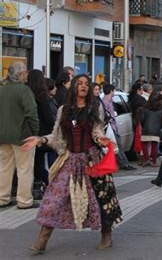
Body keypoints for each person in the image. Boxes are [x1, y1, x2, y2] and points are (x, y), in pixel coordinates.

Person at [22, 74, 123, 254]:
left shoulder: (94, 107)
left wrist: (101, 139)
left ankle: (106, 234)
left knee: (101, 197)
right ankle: (41, 241)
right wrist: (41, 139)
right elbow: (57, 136)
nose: (83, 86)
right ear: (74, 87)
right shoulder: (64, 110)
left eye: (86, 84)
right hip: (70, 160)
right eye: (79, 83)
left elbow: (97, 130)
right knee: (54, 197)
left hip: (91, 159)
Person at [0, 62, 39, 209]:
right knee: (24, 168)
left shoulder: (2, 90)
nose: (27, 74)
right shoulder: (24, 90)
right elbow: (32, 113)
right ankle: (24, 200)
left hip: (3, 135)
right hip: (22, 135)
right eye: (26, 72)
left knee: (4, 167)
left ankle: (2, 198)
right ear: (21, 74)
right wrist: (35, 133)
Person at [27, 69, 56, 200]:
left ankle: (28, 187)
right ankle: (39, 186)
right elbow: (47, 115)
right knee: (39, 161)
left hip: (26, 131)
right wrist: (53, 130)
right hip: (41, 132)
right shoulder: (41, 94)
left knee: (27, 163)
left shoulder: (26, 92)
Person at [101, 84, 136, 171]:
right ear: (111, 91)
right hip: (110, 127)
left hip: (114, 126)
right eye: (113, 91)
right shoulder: (104, 102)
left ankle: (124, 163)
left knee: (118, 146)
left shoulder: (110, 101)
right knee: (117, 146)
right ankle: (124, 164)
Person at [140, 92, 162, 167]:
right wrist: (161, 127)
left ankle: (146, 160)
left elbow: (142, 119)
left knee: (144, 145)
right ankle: (154, 161)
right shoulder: (161, 109)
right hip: (156, 130)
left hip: (146, 129)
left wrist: (143, 126)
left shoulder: (145, 108)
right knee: (154, 146)